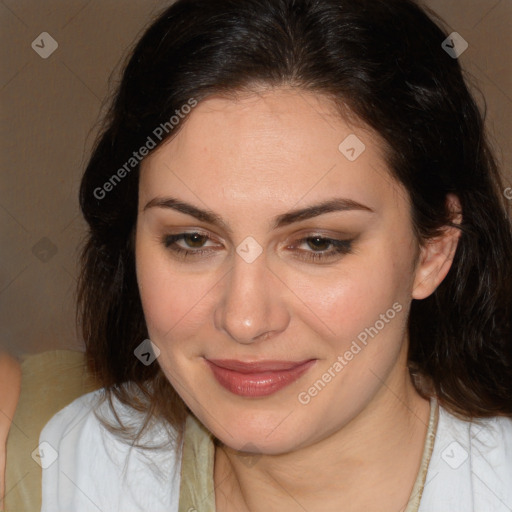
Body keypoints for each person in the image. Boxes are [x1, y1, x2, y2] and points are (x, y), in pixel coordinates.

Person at [39, 0, 512, 510]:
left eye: (318, 243)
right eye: (192, 240)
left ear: (433, 250)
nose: (244, 319)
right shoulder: (76, 462)